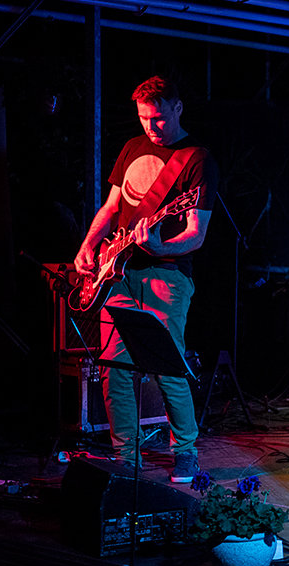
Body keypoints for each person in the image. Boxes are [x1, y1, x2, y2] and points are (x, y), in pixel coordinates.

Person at [73, 76, 218, 483]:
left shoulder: (197, 159)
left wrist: (157, 247)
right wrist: (88, 245)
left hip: (166, 275)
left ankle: (185, 452)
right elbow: (111, 207)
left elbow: (196, 235)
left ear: (177, 108)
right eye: (143, 118)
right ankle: (126, 457)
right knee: (114, 367)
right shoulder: (132, 148)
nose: (151, 127)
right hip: (117, 272)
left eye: (158, 118)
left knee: (167, 366)